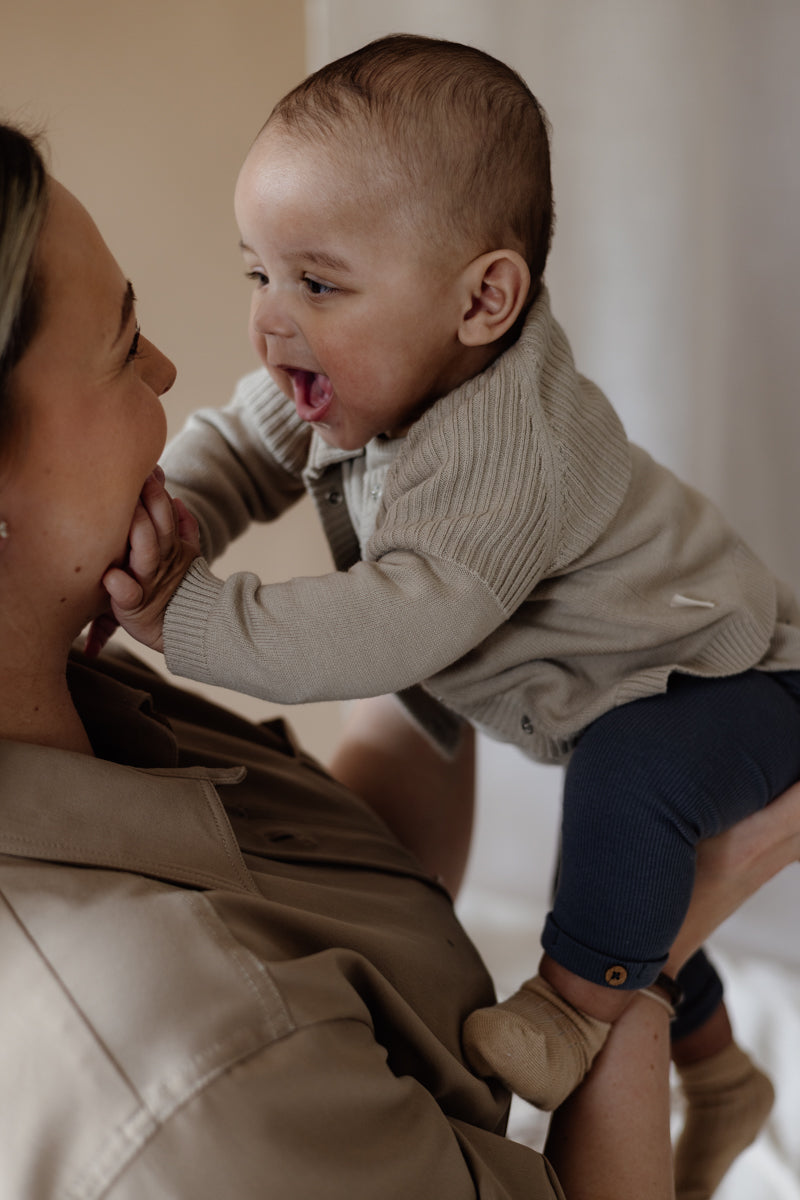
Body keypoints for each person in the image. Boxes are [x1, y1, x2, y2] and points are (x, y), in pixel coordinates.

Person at [93, 34, 799, 1194]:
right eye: (258, 273)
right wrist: (172, 519)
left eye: (318, 283)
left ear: (481, 300)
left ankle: (566, 1011)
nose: (271, 322)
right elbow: (237, 449)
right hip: (623, 691)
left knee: (621, 800)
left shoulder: (505, 451)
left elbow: (392, 625)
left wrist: (188, 614)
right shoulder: (374, 373)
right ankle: (721, 1075)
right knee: (620, 868)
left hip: (725, 681)